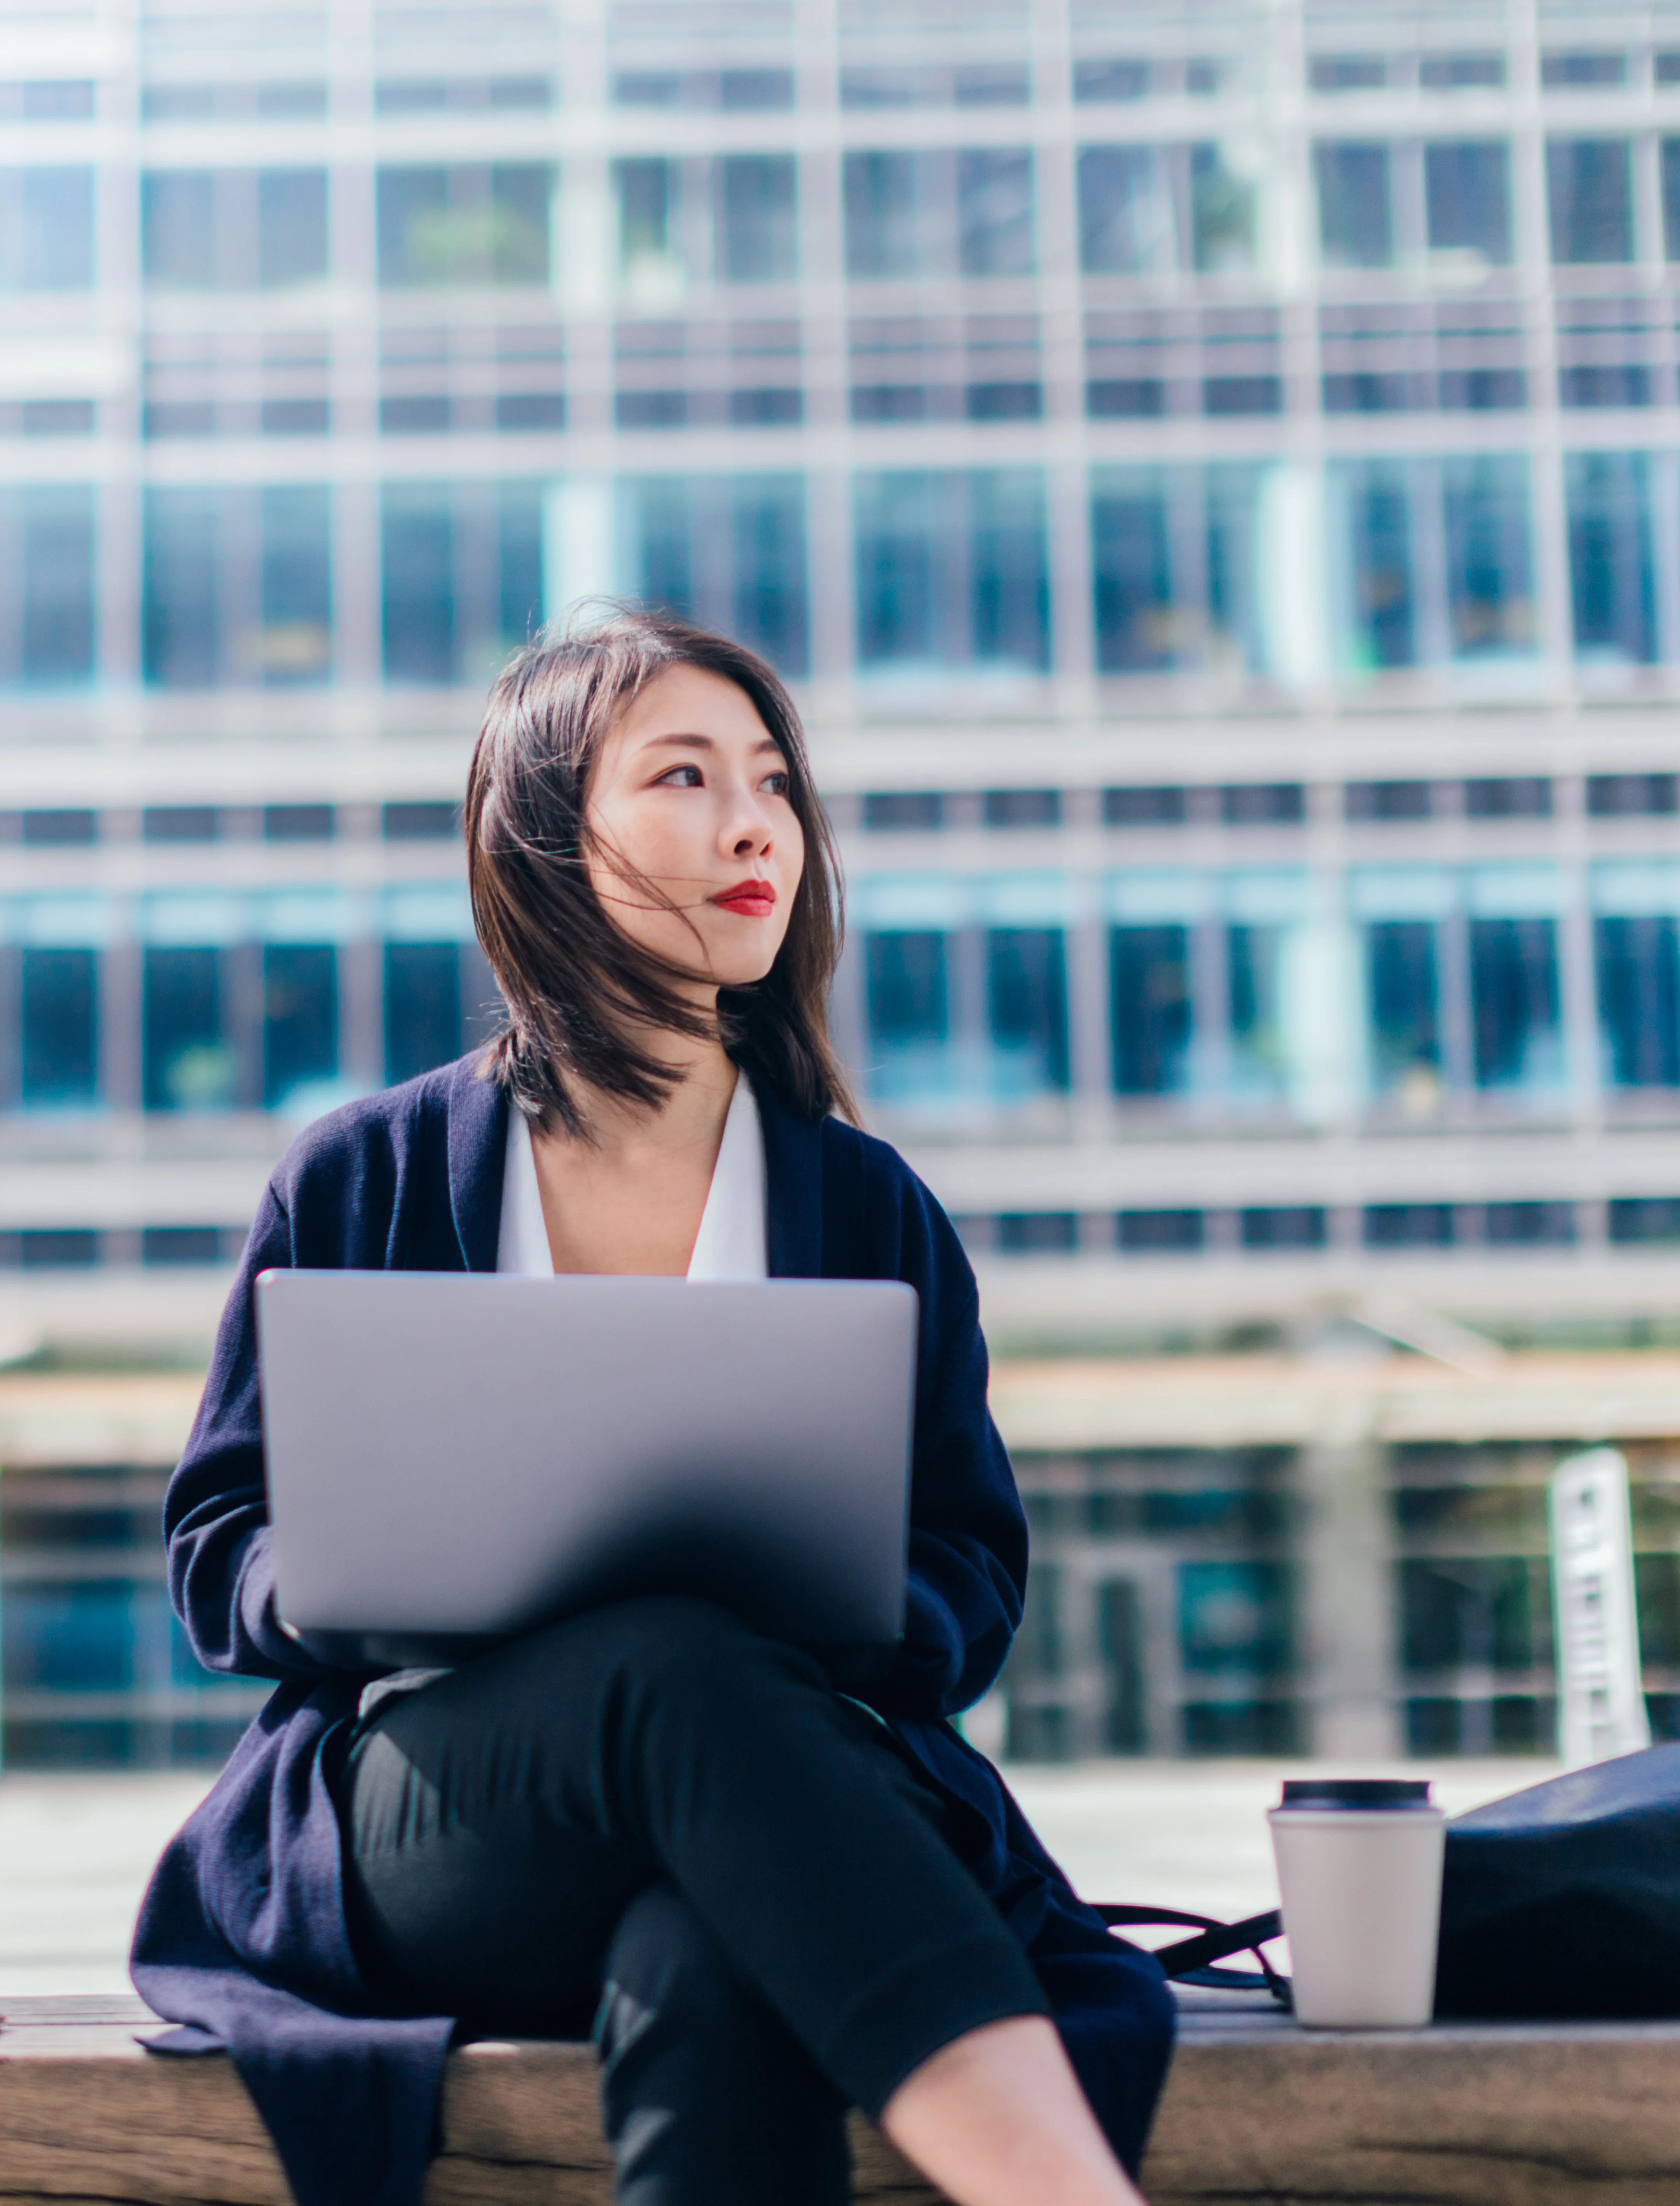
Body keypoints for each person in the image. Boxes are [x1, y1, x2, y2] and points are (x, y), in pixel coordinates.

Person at [130, 610, 1175, 2206]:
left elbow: (970, 1569)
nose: (755, 823)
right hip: (446, 1821)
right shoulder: (366, 1172)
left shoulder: (866, 1203)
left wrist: (838, 1602)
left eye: (772, 783)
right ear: (548, 835)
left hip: (774, 1791)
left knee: (707, 1947)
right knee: (663, 1660)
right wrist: (354, 1571)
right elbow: (220, 1546)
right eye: (683, 777)